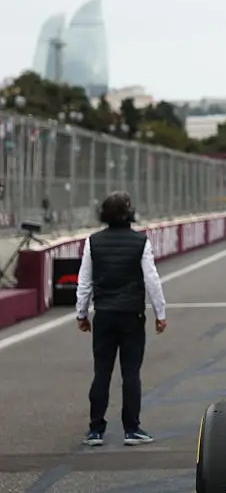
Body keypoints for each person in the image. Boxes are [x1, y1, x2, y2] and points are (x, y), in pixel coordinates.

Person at [74, 191, 167, 447]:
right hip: (132, 315)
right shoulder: (140, 242)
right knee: (130, 373)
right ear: (130, 213)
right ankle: (132, 428)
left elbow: (84, 282)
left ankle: (95, 430)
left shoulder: (93, 242)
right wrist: (160, 314)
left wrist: (81, 313)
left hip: (104, 314)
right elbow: (152, 281)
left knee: (101, 372)